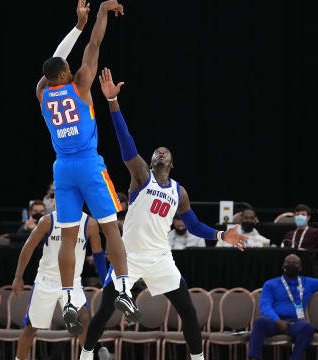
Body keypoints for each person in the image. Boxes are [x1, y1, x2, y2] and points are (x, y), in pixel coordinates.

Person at [79, 68, 248, 360]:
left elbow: (192, 224)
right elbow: (126, 142)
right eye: (156, 151)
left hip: (160, 258)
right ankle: (84, 356)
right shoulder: (142, 177)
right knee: (105, 308)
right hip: (128, 257)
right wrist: (112, 103)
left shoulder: (179, 192)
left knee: (188, 310)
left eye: (164, 152)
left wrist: (221, 234)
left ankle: (198, 359)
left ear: (172, 162)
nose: (159, 152)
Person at [35, 0, 138, 334]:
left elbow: (54, 61)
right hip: (89, 166)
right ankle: (123, 289)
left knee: (67, 238)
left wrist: (76, 26)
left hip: (62, 170)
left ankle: (67, 298)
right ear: (65, 73)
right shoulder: (79, 84)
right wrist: (100, 15)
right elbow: (94, 45)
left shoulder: (41, 92)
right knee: (111, 228)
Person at [12, 209, 107, 360]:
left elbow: (98, 254)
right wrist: (18, 276)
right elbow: (28, 246)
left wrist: (105, 280)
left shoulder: (89, 223)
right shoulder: (48, 221)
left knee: (83, 319)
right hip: (46, 280)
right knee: (31, 327)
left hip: (72, 280)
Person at [248, 254, 318, 360]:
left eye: (294, 263)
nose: (291, 265)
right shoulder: (270, 284)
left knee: (308, 327)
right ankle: (254, 358)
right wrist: (277, 321)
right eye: (288, 262)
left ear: (300, 268)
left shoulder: (309, 282)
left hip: (294, 323)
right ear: (283, 266)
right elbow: (265, 305)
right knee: (260, 321)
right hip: (273, 322)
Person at [281, 203, 318, 277]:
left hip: (308, 267)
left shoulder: (316, 232)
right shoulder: (289, 235)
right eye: (297, 214)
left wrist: (307, 252)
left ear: (308, 217)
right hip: (289, 267)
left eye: (303, 215)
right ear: (294, 217)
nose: (300, 216)